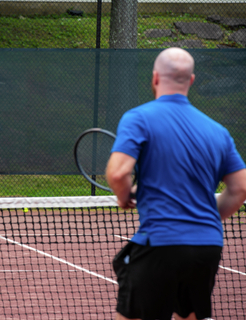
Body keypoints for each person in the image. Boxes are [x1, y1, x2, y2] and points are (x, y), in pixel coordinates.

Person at [105, 47, 246, 320]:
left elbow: (118, 173)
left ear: (155, 78)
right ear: (191, 80)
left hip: (161, 244)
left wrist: (124, 197)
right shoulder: (218, 131)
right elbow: (240, 188)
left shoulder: (139, 118)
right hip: (207, 247)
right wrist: (203, 214)